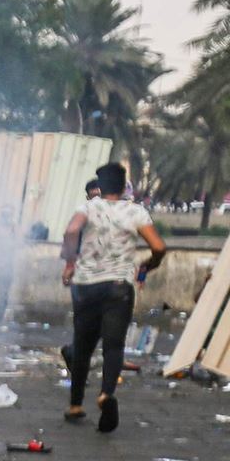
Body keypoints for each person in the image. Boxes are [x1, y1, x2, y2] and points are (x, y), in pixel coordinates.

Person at [61, 162, 165, 433]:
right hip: (119, 286)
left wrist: (70, 263)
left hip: (86, 285)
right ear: (122, 186)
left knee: (82, 345)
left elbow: (71, 231)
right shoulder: (135, 212)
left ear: (101, 185)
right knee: (114, 345)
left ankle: (75, 405)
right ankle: (106, 394)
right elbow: (158, 246)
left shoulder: (88, 208)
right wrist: (148, 265)